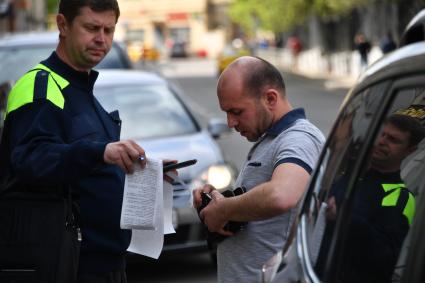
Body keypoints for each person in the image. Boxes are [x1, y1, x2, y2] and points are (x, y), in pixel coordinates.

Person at [0, 1, 146, 282]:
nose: (101, 39)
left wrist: (146, 170)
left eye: (109, 30)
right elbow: (32, 159)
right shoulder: (40, 87)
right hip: (69, 265)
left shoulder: (81, 89)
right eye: (91, 28)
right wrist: (99, 152)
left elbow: (91, 171)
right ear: (63, 25)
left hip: (104, 264)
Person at [193, 56, 325, 282]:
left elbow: (281, 195)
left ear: (270, 98)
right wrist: (217, 204)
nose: (230, 122)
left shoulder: (299, 139)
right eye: (226, 112)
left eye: (237, 111)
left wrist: (224, 210)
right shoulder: (270, 139)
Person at [322, 114, 425, 283]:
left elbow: (384, 258)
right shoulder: (351, 176)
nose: (383, 141)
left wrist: (344, 217)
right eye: (382, 134)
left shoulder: (402, 197)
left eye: (393, 139)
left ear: (410, 150)